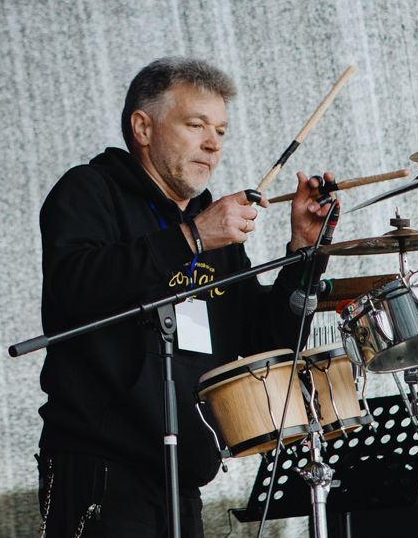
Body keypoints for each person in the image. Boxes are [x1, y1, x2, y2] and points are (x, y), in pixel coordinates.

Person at [36, 56, 336, 537]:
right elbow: (74, 287)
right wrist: (191, 237)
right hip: (100, 466)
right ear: (143, 127)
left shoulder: (211, 224)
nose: (213, 143)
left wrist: (304, 254)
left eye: (221, 130)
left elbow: (265, 342)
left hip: (183, 470)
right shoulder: (90, 190)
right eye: (196, 125)